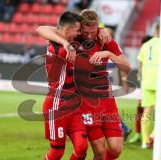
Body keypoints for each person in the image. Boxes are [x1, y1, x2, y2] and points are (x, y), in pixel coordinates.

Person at [37, 9, 131, 160]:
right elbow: (41, 29)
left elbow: (127, 67)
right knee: (98, 150)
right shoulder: (76, 36)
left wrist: (109, 54)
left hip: (107, 101)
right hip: (87, 103)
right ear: (80, 28)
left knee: (115, 149)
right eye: (85, 32)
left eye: (92, 31)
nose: (88, 35)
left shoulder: (105, 39)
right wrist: (65, 42)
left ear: (97, 27)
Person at [42, 11, 88, 160]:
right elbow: (40, 29)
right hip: (57, 106)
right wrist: (66, 44)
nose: (79, 33)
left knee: (81, 148)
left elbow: (47, 30)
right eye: (77, 30)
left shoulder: (66, 43)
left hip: (74, 106)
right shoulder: (59, 49)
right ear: (68, 30)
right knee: (56, 152)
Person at [137, 24, 161, 149]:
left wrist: (141, 78)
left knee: (146, 111)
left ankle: (144, 141)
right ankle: (153, 135)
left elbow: (140, 65)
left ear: (155, 31)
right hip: (160, 81)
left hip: (147, 81)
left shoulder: (145, 45)